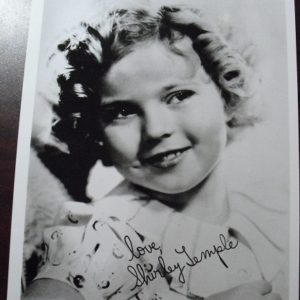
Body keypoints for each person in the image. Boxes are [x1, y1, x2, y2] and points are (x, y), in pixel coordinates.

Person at [22, 3, 286, 300]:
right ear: (96, 136)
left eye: (178, 95)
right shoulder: (101, 239)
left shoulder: (272, 202)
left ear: (226, 95)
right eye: (121, 111)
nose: (156, 129)